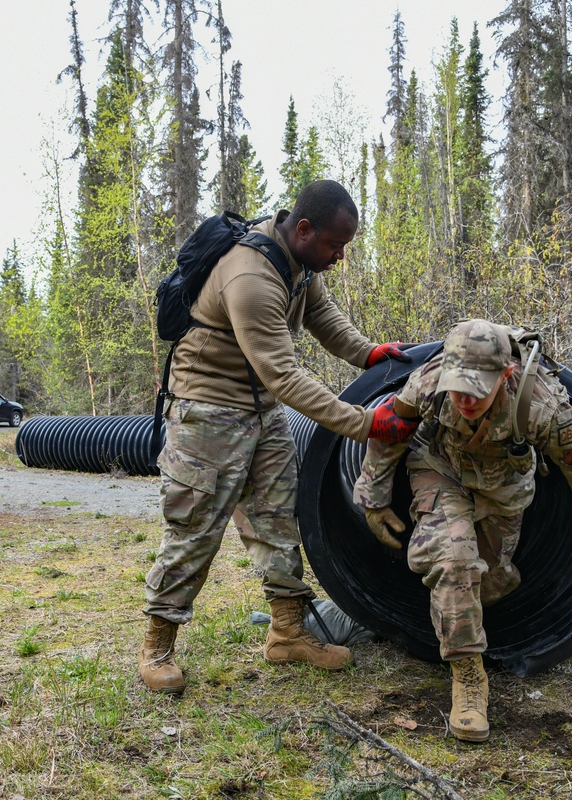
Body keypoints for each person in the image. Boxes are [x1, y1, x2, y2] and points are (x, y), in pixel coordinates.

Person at [139, 179, 419, 694]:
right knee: (195, 527)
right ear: (305, 229)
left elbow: (321, 316)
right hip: (208, 411)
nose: (339, 256)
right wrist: (365, 422)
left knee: (278, 516)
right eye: (335, 245)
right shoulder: (250, 275)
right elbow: (285, 376)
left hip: (259, 410)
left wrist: (368, 353)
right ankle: (157, 646)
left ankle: (287, 633)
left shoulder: (299, 263)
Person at [352, 319, 572, 742]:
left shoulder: (544, 407)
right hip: (440, 469)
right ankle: (469, 678)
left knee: (489, 582)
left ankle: (456, 599)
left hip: (505, 484)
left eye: (478, 387)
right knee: (456, 560)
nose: (465, 398)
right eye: (458, 385)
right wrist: (372, 497)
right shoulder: (427, 382)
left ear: (506, 376)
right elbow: (390, 429)